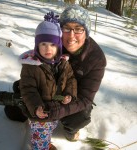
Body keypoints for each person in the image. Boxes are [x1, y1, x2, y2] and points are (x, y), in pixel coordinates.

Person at [44, 4, 107, 141]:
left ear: (86, 32)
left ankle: (70, 131)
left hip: (73, 98)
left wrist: (56, 110)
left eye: (78, 29)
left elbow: (85, 99)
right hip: (50, 89)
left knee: (80, 116)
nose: (71, 36)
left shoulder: (96, 59)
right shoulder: (52, 44)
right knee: (14, 107)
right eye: (67, 28)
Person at [19, 12, 77, 150]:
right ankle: (41, 146)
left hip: (55, 108)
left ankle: (45, 142)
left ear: (58, 46)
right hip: (40, 111)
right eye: (43, 44)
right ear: (37, 45)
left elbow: (70, 79)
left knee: (50, 127)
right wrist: (36, 107)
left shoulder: (63, 63)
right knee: (41, 133)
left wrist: (69, 94)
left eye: (52, 44)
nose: (48, 49)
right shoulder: (31, 66)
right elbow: (28, 89)